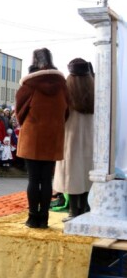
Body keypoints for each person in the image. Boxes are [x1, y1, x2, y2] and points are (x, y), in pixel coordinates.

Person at [15, 48, 69, 229]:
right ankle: (44, 218)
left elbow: (19, 113)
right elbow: (66, 112)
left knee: (33, 179)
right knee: (46, 180)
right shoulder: (62, 85)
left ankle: (32, 218)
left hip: (32, 137)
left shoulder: (29, 85)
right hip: (52, 138)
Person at [53, 58, 94, 222]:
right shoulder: (94, 92)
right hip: (90, 140)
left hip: (71, 139)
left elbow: (59, 117)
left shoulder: (66, 93)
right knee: (86, 175)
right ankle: (83, 210)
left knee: (71, 175)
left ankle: (73, 212)